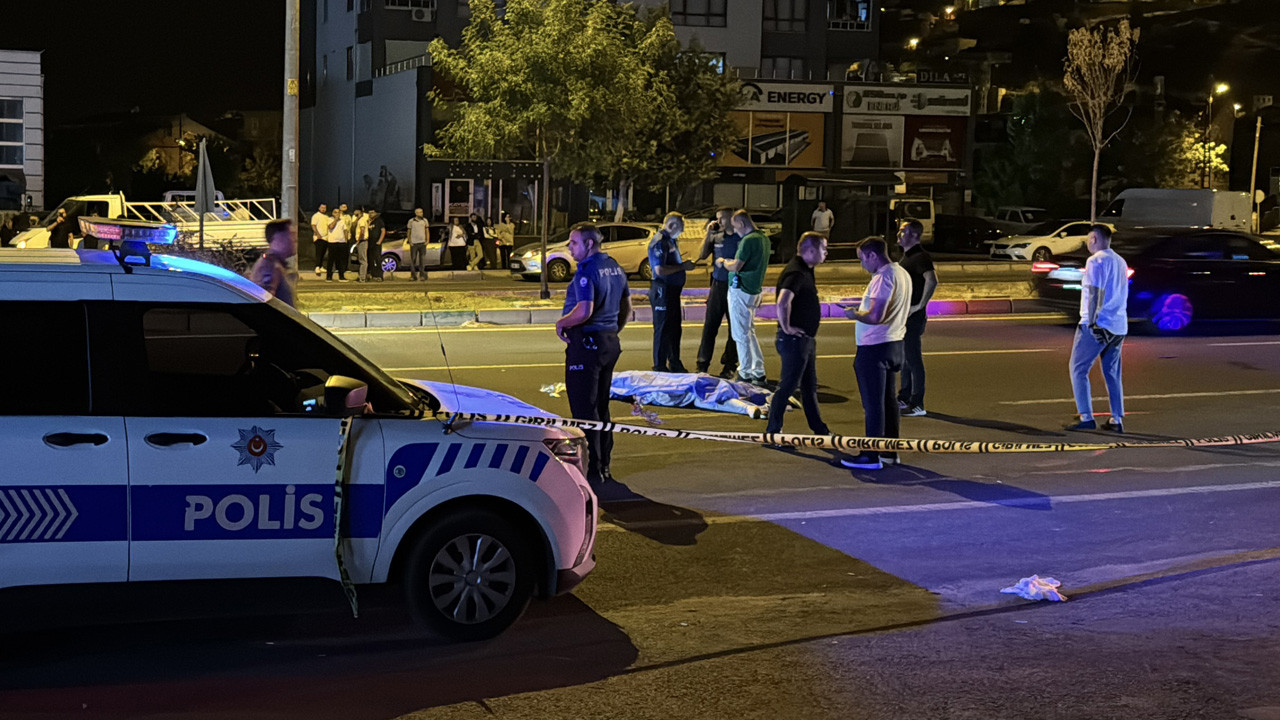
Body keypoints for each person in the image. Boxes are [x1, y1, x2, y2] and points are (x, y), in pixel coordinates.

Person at [555, 224, 631, 493]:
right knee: (601, 408)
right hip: (608, 342)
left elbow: (584, 310)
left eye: (573, 243)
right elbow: (626, 307)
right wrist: (611, 331)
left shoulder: (587, 270)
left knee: (584, 413)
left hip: (586, 344)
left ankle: (591, 472)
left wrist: (561, 323)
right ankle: (604, 466)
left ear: (589, 244)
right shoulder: (615, 267)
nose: (570, 248)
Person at [842, 237, 912, 470]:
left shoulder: (882, 277)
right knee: (888, 402)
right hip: (895, 343)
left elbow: (876, 316)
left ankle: (871, 456)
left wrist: (854, 314)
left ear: (873, 255)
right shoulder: (902, 273)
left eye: (862, 259)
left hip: (875, 347)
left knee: (873, 405)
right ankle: (889, 452)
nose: (862, 265)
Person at [764, 233, 831, 447]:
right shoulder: (796, 272)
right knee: (787, 386)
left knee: (809, 387)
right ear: (810, 250)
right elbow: (783, 301)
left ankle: (820, 430)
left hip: (805, 340)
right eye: (823, 249)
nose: (826, 252)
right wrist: (787, 327)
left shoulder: (805, 270)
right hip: (794, 341)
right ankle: (773, 432)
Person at [1066, 224, 1129, 432]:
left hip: (1097, 324)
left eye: (1088, 238)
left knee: (1078, 369)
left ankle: (1086, 416)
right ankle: (1116, 418)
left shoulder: (1095, 261)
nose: (1087, 242)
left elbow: (1094, 292)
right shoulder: (1120, 261)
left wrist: (1092, 322)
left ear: (1094, 239)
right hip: (1118, 326)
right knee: (1112, 372)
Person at [719, 210, 771, 384]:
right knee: (749, 332)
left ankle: (745, 372)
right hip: (753, 290)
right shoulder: (763, 238)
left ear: (741, 223)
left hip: (740, 289)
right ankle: (758, 371)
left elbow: (736, 266)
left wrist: (724, 262)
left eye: (735, 227)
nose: (734, 230)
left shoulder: (748, 240)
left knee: (740, 334)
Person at [895, 219, 938, 417]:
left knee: (913, 360)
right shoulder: (907, 257)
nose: (899, 234)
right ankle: (904, 397)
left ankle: (917, 403)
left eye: (903, 231)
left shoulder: (920, 256)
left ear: (913, 235)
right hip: (904, 316)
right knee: (905, 359)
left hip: (913, 317)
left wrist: (919, 305)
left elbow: (932, 280)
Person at [695, 207, 740, 378]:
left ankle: (729, 364)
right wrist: (708, 233)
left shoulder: (741, 237)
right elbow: (702, 254)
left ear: (732, 219)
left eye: (722, 218)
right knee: (710, 326)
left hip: (735, 286)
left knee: (734, 329)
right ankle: (702, 364)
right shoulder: (716, 236)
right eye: (717, 218)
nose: (718, 221)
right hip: (718, 285)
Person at [647, 212, 695, 373]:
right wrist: (683, 267)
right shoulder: (660, 242)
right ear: (672, 225)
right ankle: (660, 366)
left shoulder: (670, 240)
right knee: (662, 328)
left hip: (672, 291)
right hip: (663, 290)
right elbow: (659, 270)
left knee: (674, 328)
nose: (683, 230)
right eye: (681, 226)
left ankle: (674, 362)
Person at [250, 219, 298, 307]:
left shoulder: (275, 264)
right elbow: (264, 305)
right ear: (278, 238)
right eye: (291, 235)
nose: (295, 239)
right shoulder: (268, 267)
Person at [325, 207, 349, 281]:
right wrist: (335, 219)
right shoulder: (329, 219)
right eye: (335, 212)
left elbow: (345, 230)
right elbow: (331, 227)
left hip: (341, 242)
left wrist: (346, 240)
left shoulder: (342, 221)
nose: (337, 214)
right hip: (332, 242)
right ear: (332, 213)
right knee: (331, 260)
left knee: (341, 260)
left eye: (338, 212)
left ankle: (341, 276)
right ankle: (329, 276)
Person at [407, 207, 430, 280]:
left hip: (422, 243)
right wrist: (410, 241)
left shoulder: (425, 220)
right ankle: (413, 275)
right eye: (420, 212)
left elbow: (427, 231)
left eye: (422, 212)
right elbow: (409, 232)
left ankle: (422, 275)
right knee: (413, 259)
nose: (421, 213)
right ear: (416, 213)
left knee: (422, 260)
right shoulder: (411, 221)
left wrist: (427, 240)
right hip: (414, 243)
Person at [310, 203, 331, 276]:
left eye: (324, 208)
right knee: (319, 252)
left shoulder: (327, 217)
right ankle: (317, 267)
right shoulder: (316, 216)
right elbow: (313, 225)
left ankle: (321, 266)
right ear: (319, 208)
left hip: (326, 238)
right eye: (322, 207)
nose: (323, 209)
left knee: (323, 252)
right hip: (319, 237)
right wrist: (317, 234)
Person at [366, 208, 386, 281]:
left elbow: (383, 231)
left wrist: (379, 241)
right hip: (369, 243)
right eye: (369, 213)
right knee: (370, 259)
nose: (370, 214)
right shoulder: (368, 221)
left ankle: (380, 276)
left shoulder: (379, 221)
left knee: (377, 259)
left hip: (376, 243)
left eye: (372, 213)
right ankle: (372, 275)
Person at [353, 208, 370, 282]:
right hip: (362, 241)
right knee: (361, 259)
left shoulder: (362, 220)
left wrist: (358, 240)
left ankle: (362, 277)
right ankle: (362, 276)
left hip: (362, 241)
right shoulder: (360, 220)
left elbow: (362, 231)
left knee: (363, 260)